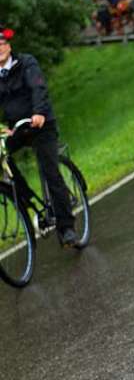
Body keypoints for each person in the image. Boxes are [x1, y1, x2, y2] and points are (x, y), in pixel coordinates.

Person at [0, 29, 77, 245]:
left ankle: (66, 227)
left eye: (2, 43)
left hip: (40, 124)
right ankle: (24, 197)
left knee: (50, 171)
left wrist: (39, 112)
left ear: (9, 46)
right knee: (2, 157)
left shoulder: (26, 63)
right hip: (16, 128)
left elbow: (38, 87)